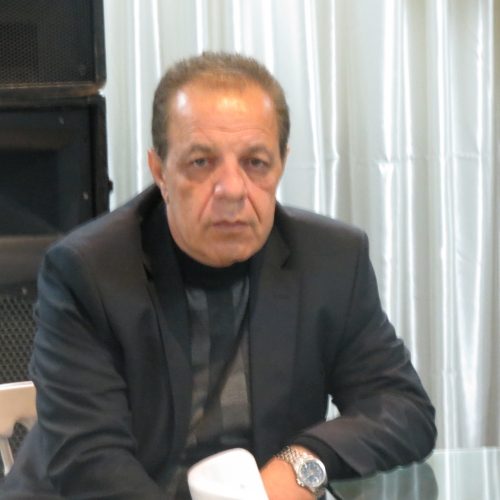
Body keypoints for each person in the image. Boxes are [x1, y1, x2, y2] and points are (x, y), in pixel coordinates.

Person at [0, 52, 436, 500]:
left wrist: (303, 462)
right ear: (160, 171)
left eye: (255, 162)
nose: (231, 189)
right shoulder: (87, 272)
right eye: (201, 162)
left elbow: (403, 409)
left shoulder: (331, 260)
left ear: (281, 165)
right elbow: (93, 464)